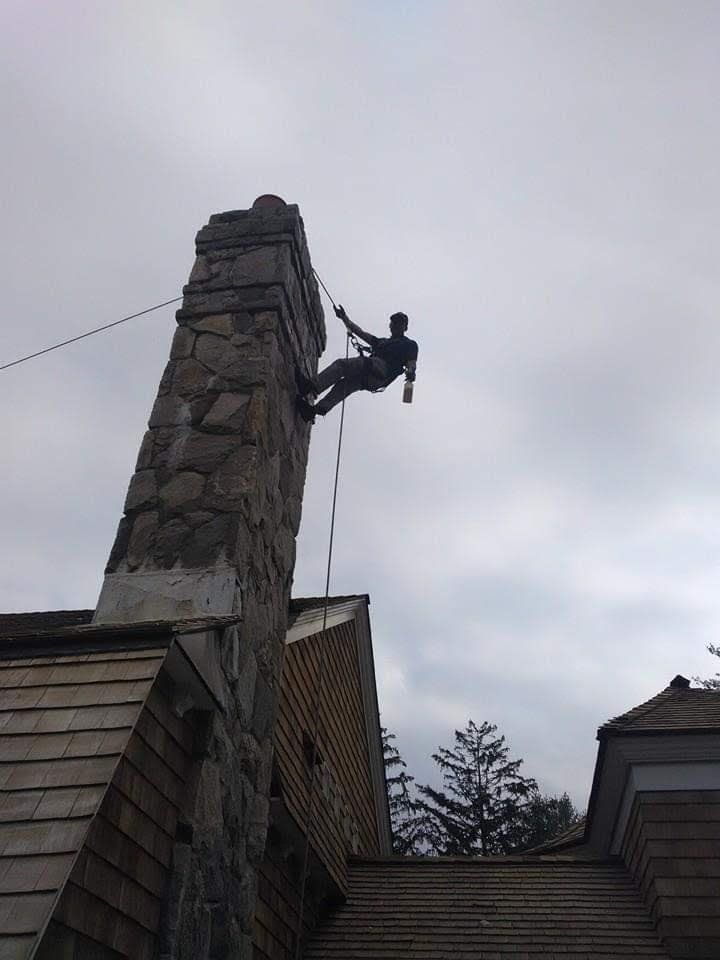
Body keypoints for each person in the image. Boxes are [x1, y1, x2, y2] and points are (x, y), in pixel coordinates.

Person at [296, 306, 418, 421]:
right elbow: (361, 333)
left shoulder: (409, 344)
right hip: (373, 378)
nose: (396, 325)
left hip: (381, 370)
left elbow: (411, 362)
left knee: (342, 365)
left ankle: (311, 386)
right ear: (390, 325)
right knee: (343, 386)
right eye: (394, 323)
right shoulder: (382, 342)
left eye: (399, 324)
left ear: (405, 328)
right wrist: (344, 318)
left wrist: (411, 372)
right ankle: (314, 411)